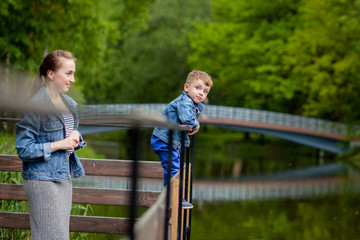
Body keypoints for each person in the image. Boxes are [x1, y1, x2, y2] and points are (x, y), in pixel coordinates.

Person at [16, 50, 86, 240]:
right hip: (42, 179)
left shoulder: (70, 104)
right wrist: (60, 143)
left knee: (60, 236)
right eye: (68, 73)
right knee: (49, 236)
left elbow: (70, 137)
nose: (72, 79)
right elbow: (24, 149)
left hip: (64, 177)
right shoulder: (36, 105)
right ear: (51, 74)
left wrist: (76, 135)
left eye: (73, 73)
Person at [151, 70, 213, 209]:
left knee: (175, 168)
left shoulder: (192, 103)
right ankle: (174, 198)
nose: (201, 93)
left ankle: (170, 196)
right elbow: (187, 119)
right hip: (165, 140)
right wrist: (196, 125)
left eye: (205, 91)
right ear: (186, 87)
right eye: (197, 88)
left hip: (170, 141)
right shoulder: (185, 101)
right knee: (174, 168)